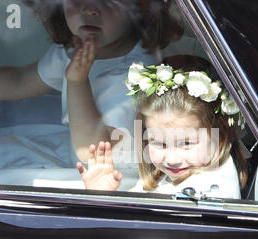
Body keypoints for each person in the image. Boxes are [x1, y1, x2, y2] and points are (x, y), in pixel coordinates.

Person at [0, 0, 183, 163]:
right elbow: (19, 81)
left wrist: (77, 82)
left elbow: (94, 152)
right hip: (71, 148)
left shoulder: (138, 74)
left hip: (103, 176)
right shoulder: (78, 49)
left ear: (141, 8)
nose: (90, 8)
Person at [77, 56, 248, 198]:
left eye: (186, 143)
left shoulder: (205, 191)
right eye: (159, 143)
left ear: (221, 133)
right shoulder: (179, 173)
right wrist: (102, 195)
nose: (172, 159)